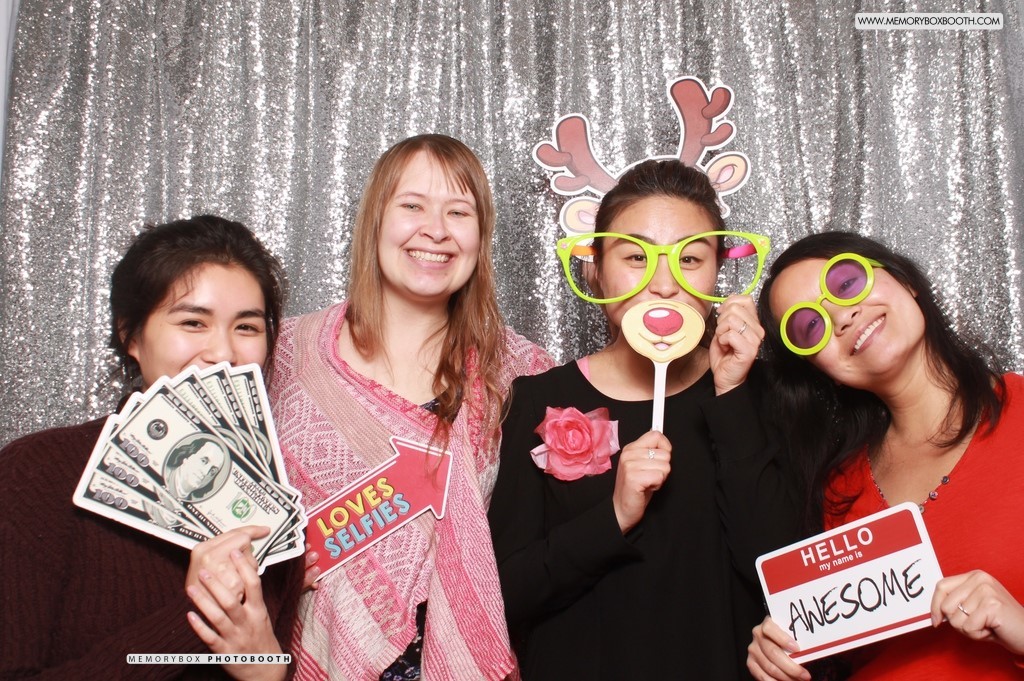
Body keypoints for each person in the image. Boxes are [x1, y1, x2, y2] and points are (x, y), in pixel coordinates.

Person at [487, 159, 800, 680]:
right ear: (595, 269)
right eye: (636, 256)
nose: (664, 283)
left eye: (690, 258)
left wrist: (731, 396)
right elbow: (501, 596)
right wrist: (613, 517)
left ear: (718, 271)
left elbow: (785, 575)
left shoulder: (761, 392)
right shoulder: (538, 399)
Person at [268, 134, 553, 680]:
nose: (436, 230)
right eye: (413, 206)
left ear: (481, 236)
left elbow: (547, 546)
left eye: (459, 212)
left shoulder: (522, 372)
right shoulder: (287, 355)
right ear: (376, 219)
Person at [0, 215, 301, 680]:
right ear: (131, 335)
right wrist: (197, 612)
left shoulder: (273, 507)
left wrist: (268, 669)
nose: (223, 353)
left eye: (246, 327)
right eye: (193, 322)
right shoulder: (37, 473)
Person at [746, 231, 1024, 680]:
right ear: (819, 370)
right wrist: (785, 655)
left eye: (846, 283)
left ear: (904, 281)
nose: (842, 316)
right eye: (810, 326)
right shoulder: (838, 491)